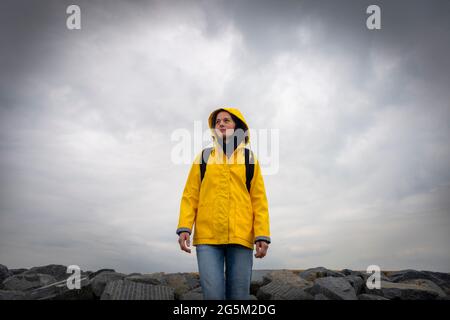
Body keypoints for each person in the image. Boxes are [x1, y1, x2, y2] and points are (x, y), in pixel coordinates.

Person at [176, 107, 271, 300]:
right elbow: (190, 195)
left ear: (237, 126)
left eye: (226, 120)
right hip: (208, 238)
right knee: (213, 296)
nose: (220, 123)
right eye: (217, 121)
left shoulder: (249, 159)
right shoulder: (203, 157)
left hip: (241, 237)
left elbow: (259, 199)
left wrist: (262, 234)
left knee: (239, 297)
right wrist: (184, 226)